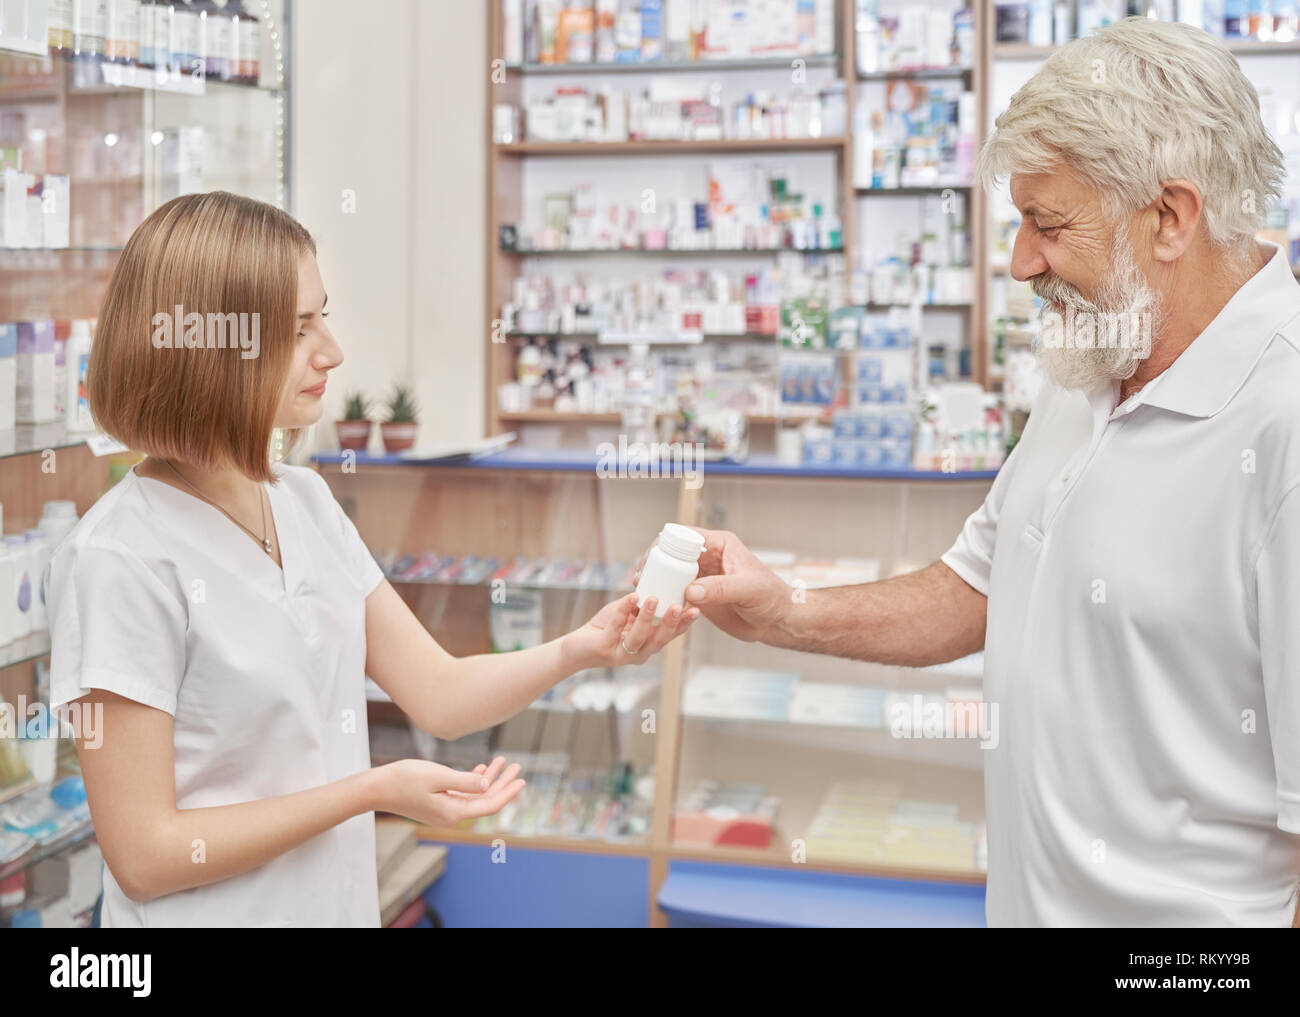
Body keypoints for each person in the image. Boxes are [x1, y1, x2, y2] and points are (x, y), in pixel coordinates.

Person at [642, 17, 1300, 927]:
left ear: (1170, 218)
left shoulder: (1283, 424)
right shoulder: (1098, 353)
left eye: (1048, 225)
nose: (1022, 261)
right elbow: (979, 586)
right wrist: (785, 612)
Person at [47, 191, 698, 928]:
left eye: (323, 314)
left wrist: (583, 647)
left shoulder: (306, 502)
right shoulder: (120, 558)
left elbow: (441, 692)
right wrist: (367, 789)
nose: (332, 349)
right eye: (298, 330)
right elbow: (146, 854)